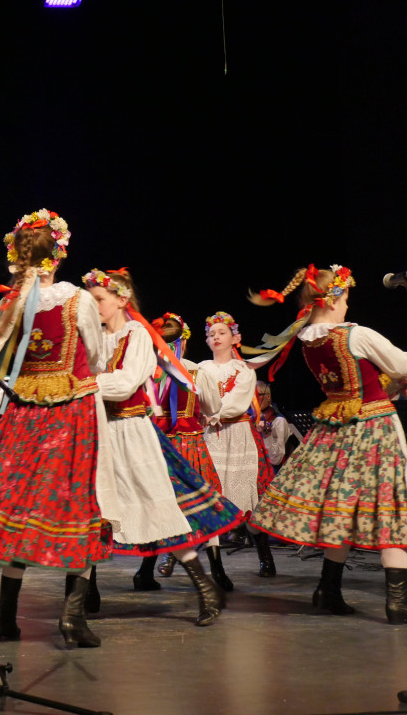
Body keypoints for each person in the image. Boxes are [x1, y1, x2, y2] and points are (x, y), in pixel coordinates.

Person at [0, 209, 115, 648]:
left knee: (18, 510)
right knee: (79, 504)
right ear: (60, 251)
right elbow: (95, 358)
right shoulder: (79, 301)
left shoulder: (14, 303)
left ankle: (5, 616)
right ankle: (73, 618)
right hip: (72, 412)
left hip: (23, 414)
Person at [82, 268, 242, 627]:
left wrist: (84, 383)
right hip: (100, 433)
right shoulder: (93, 338)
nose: (92, 307)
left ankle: (205, 587)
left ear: (121, 300)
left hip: (133, 432)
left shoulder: (137, 335)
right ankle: (82, 593)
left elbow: (124, 384)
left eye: (98, 300)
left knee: (160, 509)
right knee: (93, 509)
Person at [248, 265, 407, 622]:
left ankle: (327, 589)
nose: (348, 306)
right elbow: (400, 365)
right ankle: (397, 603)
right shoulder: (356, 334)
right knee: (391, 506)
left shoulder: (306, 340)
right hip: (374, 427)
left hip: (335, 431)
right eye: (346, 298)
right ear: (333, 298)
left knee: (341, 511)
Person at [148, 314, 229, 589]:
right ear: (183, 340)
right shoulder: (195, 372)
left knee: (157, 505)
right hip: (189, 446)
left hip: (155, 447)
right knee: (204, 503)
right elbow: (213, 407)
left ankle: (145, 571)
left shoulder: (147, 369)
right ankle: (217, 572)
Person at [199, 311, 277, 581]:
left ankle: (265, 555)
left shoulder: (244, 370)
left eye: (221, 332)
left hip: (239, 434)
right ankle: (215, 567)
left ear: (236, 338)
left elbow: (237, 401)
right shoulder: (201, 368)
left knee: (247, 500)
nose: (216, 337)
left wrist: (216, 414)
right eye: (211, 334)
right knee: (210, 498)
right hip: (211, 436)